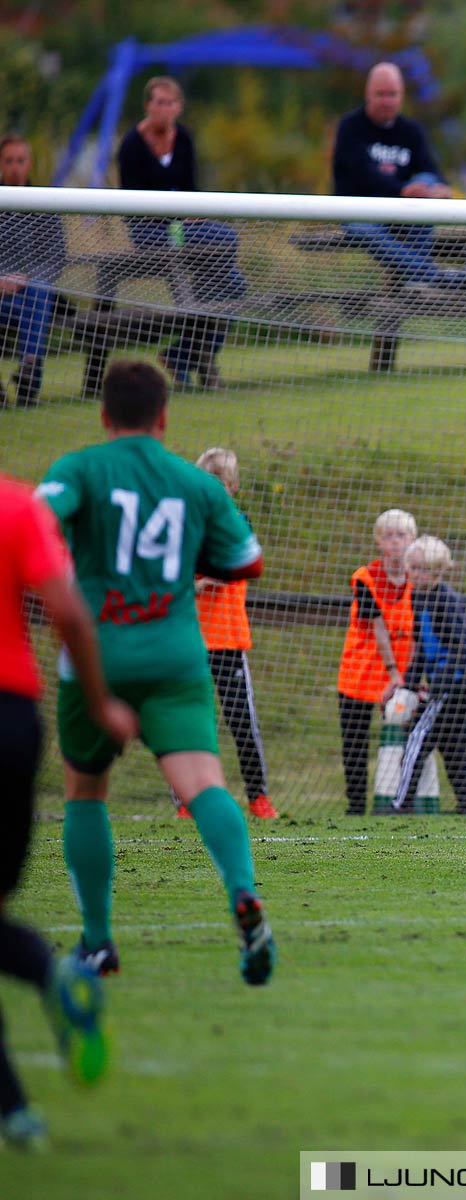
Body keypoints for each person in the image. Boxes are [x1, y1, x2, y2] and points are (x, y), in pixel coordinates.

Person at [36, 359, 276, 985]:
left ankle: (97, 942)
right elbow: (247, 562)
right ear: (165, 417)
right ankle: (244, 894)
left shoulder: (81, 468)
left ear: (103, 413)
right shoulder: (195, 485)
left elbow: (37, 522)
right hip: (175, 655)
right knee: (204, 785)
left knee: (86, 793)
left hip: (98, 655)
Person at [0, 473, 131, 1147]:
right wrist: (102, 699)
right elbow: (70, 612)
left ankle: (51, 978)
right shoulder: (17, 504)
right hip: (12, 720)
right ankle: (16, 1110)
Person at [115, 75, 248, 391]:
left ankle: (181, 354)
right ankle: (190, 351)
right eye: (159, 102)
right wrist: (177, 216)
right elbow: (132, 203)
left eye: (171, 102)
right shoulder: (132, 146)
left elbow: (191, 189)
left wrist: (190, 213)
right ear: (148, 105)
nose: (164, 109)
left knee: (236, 285)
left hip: (186, 229)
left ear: (179, 107)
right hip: (150, 232)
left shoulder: (184, 139)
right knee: (226, 267)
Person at [331, 63, 466, 290]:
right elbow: (362, 173)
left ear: (401, 96)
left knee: (427, 182)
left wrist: (439, 188)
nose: (387, 101)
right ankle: (434, 278)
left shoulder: (411, 131)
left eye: (392, 94)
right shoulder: (350, 127)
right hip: (360, 210)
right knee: (366, 230)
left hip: (401, 213)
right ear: (368, 94)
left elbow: (429, 168)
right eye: (381, 94)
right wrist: (401, 190)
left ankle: (409, 283)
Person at [192, 448, 277, 820]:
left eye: (221, 483)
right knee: (191, 722)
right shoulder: (186, 526)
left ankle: (258, 797)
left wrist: (208, 575)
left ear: (234, 486)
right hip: (190, 641)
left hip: (228, 639)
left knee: (242, 721)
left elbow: (239, 565)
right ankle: (187, 800)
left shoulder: (238, 524)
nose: (214, 489)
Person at [391, 536, 466, 815]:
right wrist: (409, 684)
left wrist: (440, 684)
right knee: (452, 745)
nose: (419, 575)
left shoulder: (447, 601)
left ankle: (401, 804)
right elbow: (421, 647)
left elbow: (460, 646)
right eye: (415, 568)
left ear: (439, 572)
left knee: (417, 738)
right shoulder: (417, 598)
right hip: (450, 684)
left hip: (456, 685)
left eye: (426, 571)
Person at [337, 508, 417, 816]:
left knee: (406, 741)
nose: (396, 542)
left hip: (403, 676)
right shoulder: (365, 577)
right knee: (354, 744)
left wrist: (408, 675)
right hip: (361, 672)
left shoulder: (418, 579)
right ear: (378, 542)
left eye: (402, 535)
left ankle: (400, 804)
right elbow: (378, 627)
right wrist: (394, 672)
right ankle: (355, 807)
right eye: (389, 536)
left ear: (413, 539)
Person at [0, 136, 65, 408]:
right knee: (37, 299)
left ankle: (28, 369)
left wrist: (26, 278)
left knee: (39, 291)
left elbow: (56, 257)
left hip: (32, 296)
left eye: (20, 160)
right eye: (9, 161)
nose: (15, 167)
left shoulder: (43, 204)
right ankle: (30, 370)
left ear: (30, 164)